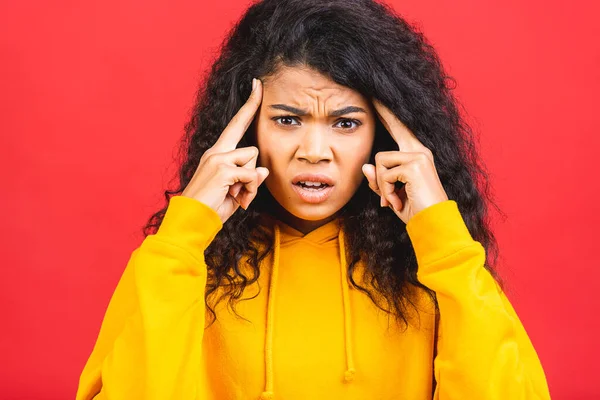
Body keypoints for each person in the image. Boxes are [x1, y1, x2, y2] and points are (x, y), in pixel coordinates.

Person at [76, 0, 551, 399]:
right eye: (287, 120)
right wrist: (182, 236)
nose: (314, 152)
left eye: (346, 123)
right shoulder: (182, 263)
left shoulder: (430, 268)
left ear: (382, 136)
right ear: (246, 128)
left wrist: (443, 240)